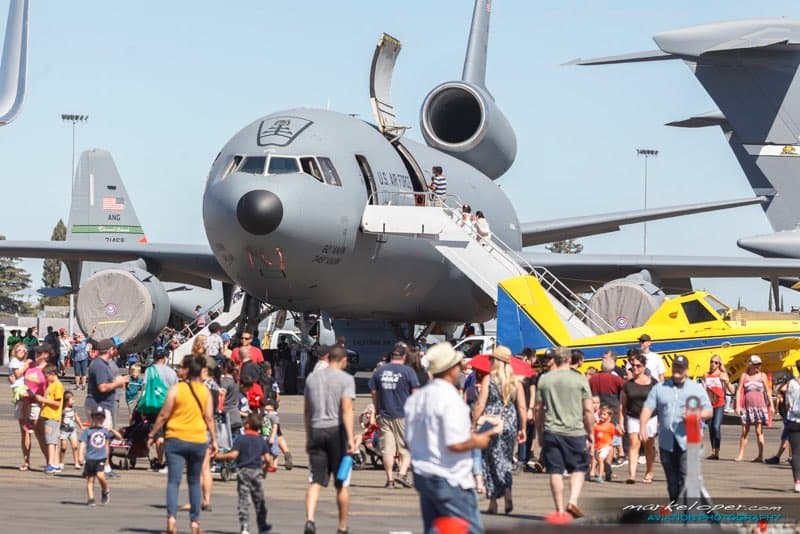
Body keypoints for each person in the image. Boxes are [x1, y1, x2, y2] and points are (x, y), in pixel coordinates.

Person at [405, 342, 496, 534]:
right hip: (450, 477)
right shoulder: (450, 399)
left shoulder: (417, 398)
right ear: (450, 370)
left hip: (424, 473)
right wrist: (478, 441)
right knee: (470, 529)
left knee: (436, 528)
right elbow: (455, 444)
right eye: (458, 365)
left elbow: (410, 439)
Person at [147, 355, 218, 534]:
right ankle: (195, 522)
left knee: (173, 481)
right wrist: (214, 439)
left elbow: (163, 415)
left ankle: (171, 519)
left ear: (187, 370)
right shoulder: (205, 391)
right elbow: (209, 418)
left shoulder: (176, 389)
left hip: (175, 438)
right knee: (194, 482)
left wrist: (152, 433)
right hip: (197, 440)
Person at [639, 355, 712, 501]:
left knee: (687, 479)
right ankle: (676, 506)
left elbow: (709, 411)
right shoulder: (660, 388)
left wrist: (697, 414)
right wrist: (642, 426)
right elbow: (647, 408)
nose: (677, 370)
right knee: (672, 483)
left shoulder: (696, 389)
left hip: (688, 441)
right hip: (667, 442)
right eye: (675, 367)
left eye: (681, 367)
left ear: (686, 369)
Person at [534, 346, 593, 521]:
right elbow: (588, 410)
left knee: (555, 470)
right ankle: (572, 500)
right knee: (579, 468)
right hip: (575, 431)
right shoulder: (580, 380)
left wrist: (539, 432)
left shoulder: (545, 379)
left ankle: (559, 510)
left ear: (555, 359)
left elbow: (538, 409)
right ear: (568, 359)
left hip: (552, 430)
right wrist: (590, 431)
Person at [303, 346, 356, 534]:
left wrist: (309, 435)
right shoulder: (346, 379)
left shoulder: (312, 378)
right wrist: (351, 438)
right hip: (336, 432)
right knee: (341, 483)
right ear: (342, 360)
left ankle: (310, 519)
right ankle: (342, 526)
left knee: (315, 480)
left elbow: (307, 410)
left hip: (317, 429)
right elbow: (346, 409)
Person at [472, 346, 526, 515]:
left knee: (490, 460)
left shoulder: (489, 379)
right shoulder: (515, 381)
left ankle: (493, 502)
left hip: (490, 423)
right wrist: (523, 427)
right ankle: (508, 493)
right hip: (509, 422)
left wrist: (474, 422)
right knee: (506, 459)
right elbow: (522, 407)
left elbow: (480, 404)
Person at [368, 342, 420, 489]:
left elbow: (373, 391)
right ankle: (402, 474)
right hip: (404, 415)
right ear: (404, 356)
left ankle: (389, 479)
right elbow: (415, 394)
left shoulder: (380, 371)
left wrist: (377, 408)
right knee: (406, 448)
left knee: (388, 450)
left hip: (385, 414)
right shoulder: (408, 372)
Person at [215, 412, 272, 534]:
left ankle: (245, 527)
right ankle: (262, 526)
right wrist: (265, 470)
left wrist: (219, 456)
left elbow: (233, 454)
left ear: (247, 425)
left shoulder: (241, 439)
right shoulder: (261, 440)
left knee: (244, 500)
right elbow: (268, 459)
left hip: (244, 472)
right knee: (259, 500)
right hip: (257, 472)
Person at [619, 352, 657, 484]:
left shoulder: (652, 383)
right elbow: (622, 404)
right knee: (634, 444)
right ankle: (631, 475)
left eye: (638, 366)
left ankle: (649, 471)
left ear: (644, 366)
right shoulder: (628, 385)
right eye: (632, 366)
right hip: (633, 417)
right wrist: (621, 420)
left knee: (648, 446)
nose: (635, 368)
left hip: (650, 418)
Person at [79, 407, 122, 506]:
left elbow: (119, 437)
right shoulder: (88, 431)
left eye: (100, 418)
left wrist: (112, 430)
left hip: (100, 458)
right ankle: (91, 498)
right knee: (90, 479)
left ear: (103, 419)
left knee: (100, 475)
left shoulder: (105, 431)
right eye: (96, 417)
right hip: (90, 458)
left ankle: (105, 489)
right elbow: (83, 443)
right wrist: (80, 455)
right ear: (92, 418)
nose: (98, 420)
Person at [589, 351, 625, 466]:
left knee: (597, 435)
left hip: (597, 409)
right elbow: (625, 389)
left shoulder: (593, 378)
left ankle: (596, 462)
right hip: (612, 410)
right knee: (610, 436)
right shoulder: (615, 379)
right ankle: (609, 461)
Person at [734, 355, 771, 463]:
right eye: (756, 364)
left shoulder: (762, 375)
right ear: (750, 365)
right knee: (744, 431)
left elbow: (768, 391)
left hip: (760, 406)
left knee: (759, 431)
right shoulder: (744, 376)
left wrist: (772, 406)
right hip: (747, 407)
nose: (758, 366)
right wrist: (737, 406)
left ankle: (760, 455)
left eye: (759, 364)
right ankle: (741, 455)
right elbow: (739, 391)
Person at [8, 342, 32, 470]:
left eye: (24, 350)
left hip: (29, 392)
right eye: (19, 350)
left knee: (29, 431)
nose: (22, 352)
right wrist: (27, 365)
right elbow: (17, 375)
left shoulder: (25, 362)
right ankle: (26, 460)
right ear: (14, 351)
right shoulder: (14, 362)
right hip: (20, 393)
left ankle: (27, 460)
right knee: (25, 430)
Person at [703, 355, 732, 460]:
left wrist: (727, 382)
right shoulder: (706, 375)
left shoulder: (722, 375)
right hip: (709, 404)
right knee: (711, 428)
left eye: (716, 362)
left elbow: (732, 390)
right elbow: (704, 390)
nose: (713, 364)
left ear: (719, 364)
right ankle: (714, 452)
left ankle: (717, 450)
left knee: (716, 426)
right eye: (711, 362)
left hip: (719, 403)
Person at [38, 365, 65, 474]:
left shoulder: (57, 385)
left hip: (52, 416)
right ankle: (55, 463)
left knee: (50, 441)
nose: (45, 378)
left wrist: (43, 399)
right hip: (49, 416)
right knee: (52, 440)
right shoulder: (52, 385)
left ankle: (51, 463)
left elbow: (57, 403)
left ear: (52, 374)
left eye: (46, 376)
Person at [59, 390, 83, 470]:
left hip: (72, 430)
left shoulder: (73, 409)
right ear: (66, 401)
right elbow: (59, 420)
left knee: (75, 446)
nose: (74, 401)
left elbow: (76, 417)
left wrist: (81, 426)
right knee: (63, 448)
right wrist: (57, 431)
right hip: (64, 430)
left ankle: (76, 462)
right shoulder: (62, 410)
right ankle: (61, 462)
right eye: (72, 399)